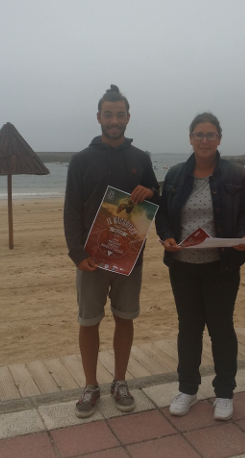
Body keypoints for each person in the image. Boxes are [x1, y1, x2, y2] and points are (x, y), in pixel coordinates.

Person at [64, 85, 160, 418]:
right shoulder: (81, 160)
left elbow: (154, 199)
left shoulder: (140, 158)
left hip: (128, 257)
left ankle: (120, 381)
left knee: (125, 318)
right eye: (109, 114)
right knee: (88, 321)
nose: (114, 120)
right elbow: (71, 210)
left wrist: (151, 190)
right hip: (90, 258)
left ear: (128, 118)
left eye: (120, 114)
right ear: (99, 117)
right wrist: (77, 253)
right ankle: (90, 385)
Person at [156, 112, 245, 420]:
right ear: (190, 138)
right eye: (198, 134)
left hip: (221, 265)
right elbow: (162, 216)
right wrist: (168, 236)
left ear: (219, 139)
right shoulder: (174, 175)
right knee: (189, 328)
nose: (204, 140)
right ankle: (187, 389)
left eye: (210, 135)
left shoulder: (235, 174)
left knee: (221, 329)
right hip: (183, 266)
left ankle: (224, 392)